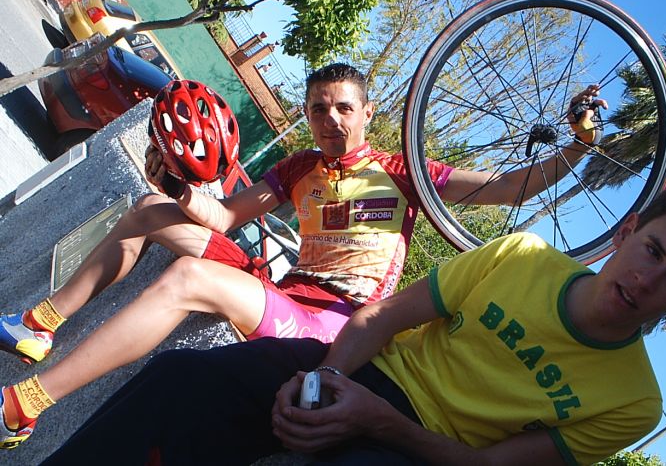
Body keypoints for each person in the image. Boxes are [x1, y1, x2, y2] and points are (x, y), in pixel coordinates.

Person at [0, 64, 604, 450]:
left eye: (344, 107)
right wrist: (179, 188)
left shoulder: (404, 172)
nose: (330, 119)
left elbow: (510, 187)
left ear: (367, 114)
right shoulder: (298, 168)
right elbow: (225, 218)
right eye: (318, 108)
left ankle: (24, 406)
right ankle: (38, 327)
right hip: (281, 291)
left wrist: (578, 143)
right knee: (149, 210)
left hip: (332, 324)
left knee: (188, 277)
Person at [40, 183, 666, 465]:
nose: (647, 280)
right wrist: (321, 384)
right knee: (182, 381)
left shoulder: (633, 402)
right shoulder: (521, 256)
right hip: (359, 368)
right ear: (626, 231)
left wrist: (379, 423)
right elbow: (380, 319)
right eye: (653, 251)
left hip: (418, 450)